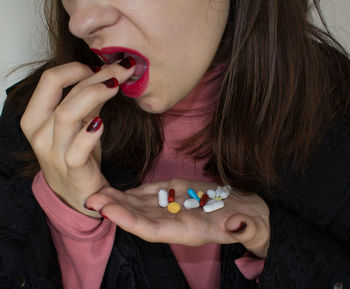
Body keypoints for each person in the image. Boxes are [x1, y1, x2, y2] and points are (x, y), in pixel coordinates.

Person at [1, 0, 350, 288]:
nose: (82, 20)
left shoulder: (339, 107)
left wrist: (271, 240)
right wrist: (75, 225)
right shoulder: (35, 120)